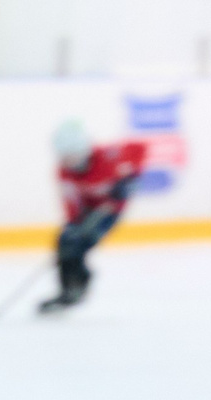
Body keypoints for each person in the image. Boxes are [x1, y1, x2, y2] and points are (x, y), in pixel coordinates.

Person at [41, 118, 148, 315]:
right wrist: (74, 222)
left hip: (109, 210)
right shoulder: (64, 172)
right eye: (64, 157)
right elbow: (70, 200)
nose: (68, 161)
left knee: (82, 243)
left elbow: (141, 148)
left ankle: (81, 282)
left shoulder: (109, 156)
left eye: (72, 155)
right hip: (87, 211)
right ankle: (67, 290)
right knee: (64, 242)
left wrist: (130, 179)